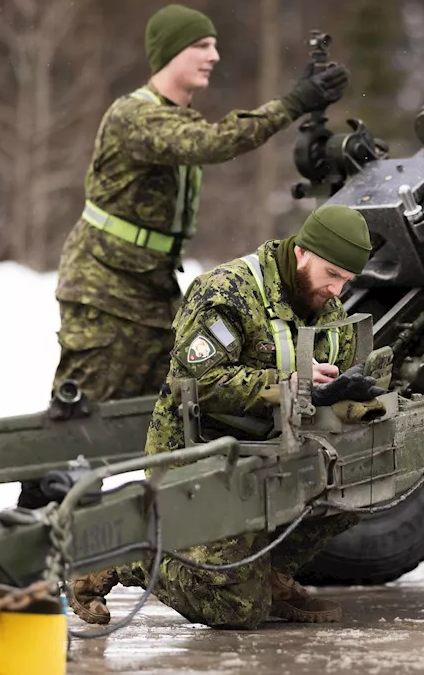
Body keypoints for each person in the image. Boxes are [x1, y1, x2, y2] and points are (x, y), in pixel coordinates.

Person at [20, 4, 349, 510]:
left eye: (215, 45)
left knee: (171, 414)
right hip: (104, 289)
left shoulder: (173, 117)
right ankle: (34, 547)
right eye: (200, 45)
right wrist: (294, 102)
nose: (213, 55)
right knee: (78, 429)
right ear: (168, 53)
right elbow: (213, 143)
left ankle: (158, 537)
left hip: (151, 290)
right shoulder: (135, 115)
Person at [70, 205, 384, 628]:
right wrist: (290, 381)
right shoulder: (226, 291)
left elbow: (331, 376)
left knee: (359, 483)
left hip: (273, 450)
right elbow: (199, 384)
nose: (337, 290)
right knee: (237, 608)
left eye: (347, 281)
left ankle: (269, 575)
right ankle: (117, 557)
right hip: (200, 453)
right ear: (302, 253)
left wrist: (344, 390)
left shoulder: (329, 310)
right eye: (331, 274)